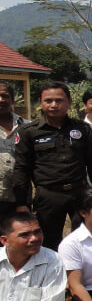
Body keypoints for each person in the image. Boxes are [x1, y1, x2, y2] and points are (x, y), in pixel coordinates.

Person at [13, 81, 92, 249]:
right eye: (48, 100)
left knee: (85, 239)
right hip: (48, 196)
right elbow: (21, 170)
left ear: (69, 102)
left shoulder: (82, 129)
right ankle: (54, 274)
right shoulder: (29, 132)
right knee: (48, 242)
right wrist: (21, 203)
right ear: (40, 103)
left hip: (79, 193)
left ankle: (81, 274)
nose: (54, 105)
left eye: (59, 100)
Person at [0, 81, 25, 220]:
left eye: (5, 96)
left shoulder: (26, 127)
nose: (1, 100)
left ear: (12, 99)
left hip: (20, 197)